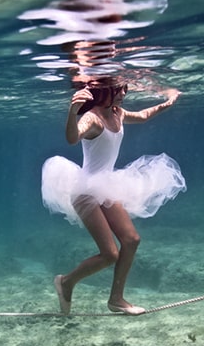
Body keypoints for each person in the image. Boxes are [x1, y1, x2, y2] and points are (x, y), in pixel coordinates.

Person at [41, 79, 186, 315]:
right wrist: (72, 111)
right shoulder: (93, 119)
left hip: (107, 187)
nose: (124, 94)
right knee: (109, 254)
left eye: (124, 89)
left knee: (131, 240)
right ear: (104, 92)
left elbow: (143, 116)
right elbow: (72, 138)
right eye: (119, 90)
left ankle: (116, 299)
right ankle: (66, 282)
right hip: (85, 191)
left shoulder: (118, 113)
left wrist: (167, 103)